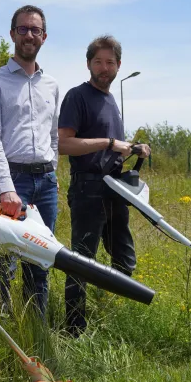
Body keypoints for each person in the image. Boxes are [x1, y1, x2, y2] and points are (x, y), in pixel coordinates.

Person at [57, 35, 150, 337]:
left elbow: (113, 147)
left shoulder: (111, 100)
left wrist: (135, 147)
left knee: (124, 260)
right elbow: (64, 144)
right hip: (87, 188)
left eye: (110, 62)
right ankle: (74, 328)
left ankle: (103, 315)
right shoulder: (77, 96)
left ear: (118, 66)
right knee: (82, 261)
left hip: (114, 188)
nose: (104, 67)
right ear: (88, 64)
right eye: (98, 61)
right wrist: (110, 143)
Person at [0, 5, 60, 317]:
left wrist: (53, 171)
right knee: (4, 261)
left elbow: (53, 135)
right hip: (12, 181)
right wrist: (5, 189)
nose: (29, 35)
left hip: (46, 184)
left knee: (41, 261)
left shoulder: (51, 85)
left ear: (44, 37)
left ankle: (35, 330)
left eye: (35, 30)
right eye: (22, 29)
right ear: (12, 34)